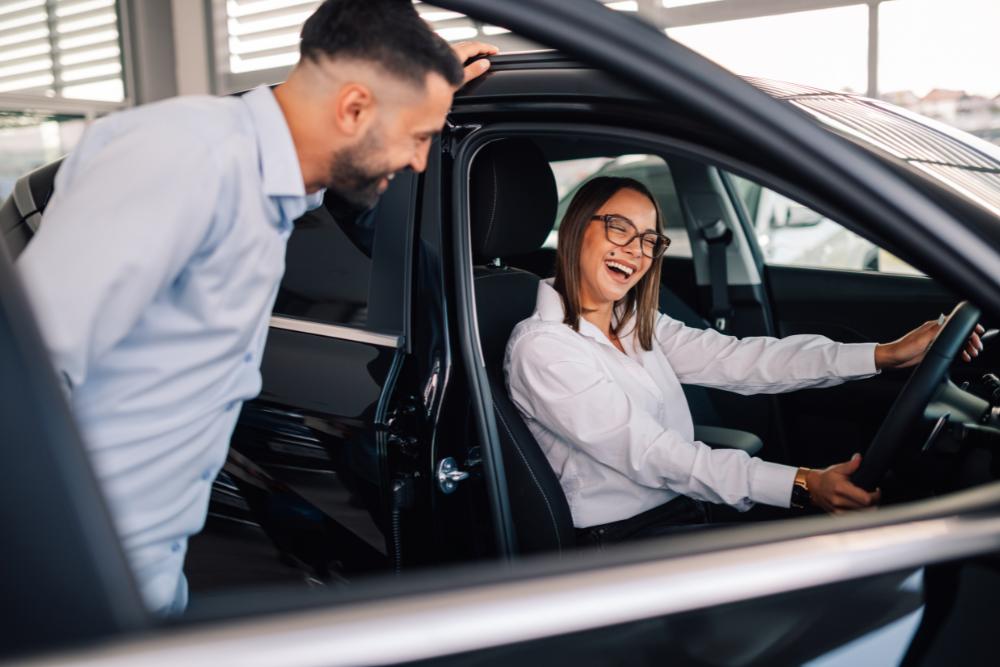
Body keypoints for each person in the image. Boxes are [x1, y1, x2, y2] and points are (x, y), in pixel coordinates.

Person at [17, 0, 497, 614]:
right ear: (354, 108)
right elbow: (26, 375)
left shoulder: (262, 176)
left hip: (146, 569)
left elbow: (307, 144)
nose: (419, 161)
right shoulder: (184, 161)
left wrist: (418, 84)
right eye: (420, 137)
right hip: (73, 579)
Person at [504, 176, 984, 549]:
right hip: (621, 540)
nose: (636, 250)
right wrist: (802, 484)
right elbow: (656, 455)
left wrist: (882, 354)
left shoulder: (633, 321)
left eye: (650, 239)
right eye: (619, 228)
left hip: (682, 508)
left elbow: (743, 360)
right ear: (574, 228)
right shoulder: (544, 348)